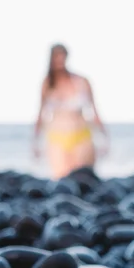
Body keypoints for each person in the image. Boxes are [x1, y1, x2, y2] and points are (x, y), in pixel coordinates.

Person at [34, 44, 108, 179]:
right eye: (57, 56)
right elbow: (41, 114)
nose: (60, 60)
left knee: (84, 178)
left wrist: (104, 138)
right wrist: (35, 142)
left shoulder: (81, 81)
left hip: (82, 137)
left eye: (62, 55)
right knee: (62, 180)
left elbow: (94, 111)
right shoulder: (48, 84)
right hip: (57, 138)